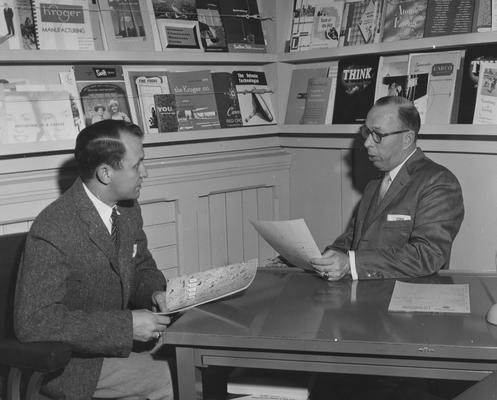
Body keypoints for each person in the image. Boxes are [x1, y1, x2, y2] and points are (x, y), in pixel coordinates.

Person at [14, 120, 173, 399]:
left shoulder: (128, 208)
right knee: (178, 376)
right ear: (105, 173)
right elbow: (34, 322)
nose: (145, 172)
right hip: (74, 364)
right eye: (137, 165)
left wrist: (155, 292)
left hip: (121, 347)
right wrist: (126, 327)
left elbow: (142, 266)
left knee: (203, 356)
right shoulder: (54, 227)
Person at [311, 96, 464, 281]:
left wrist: (351, 263)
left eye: (377, 134)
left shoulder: (439, 182)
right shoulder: (374, 184)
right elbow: (354, 237)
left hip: (408, 300)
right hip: (370, 295)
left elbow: (427, 255)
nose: (367, 143)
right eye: (366, 132)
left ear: (407, 139)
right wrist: (331, 254)